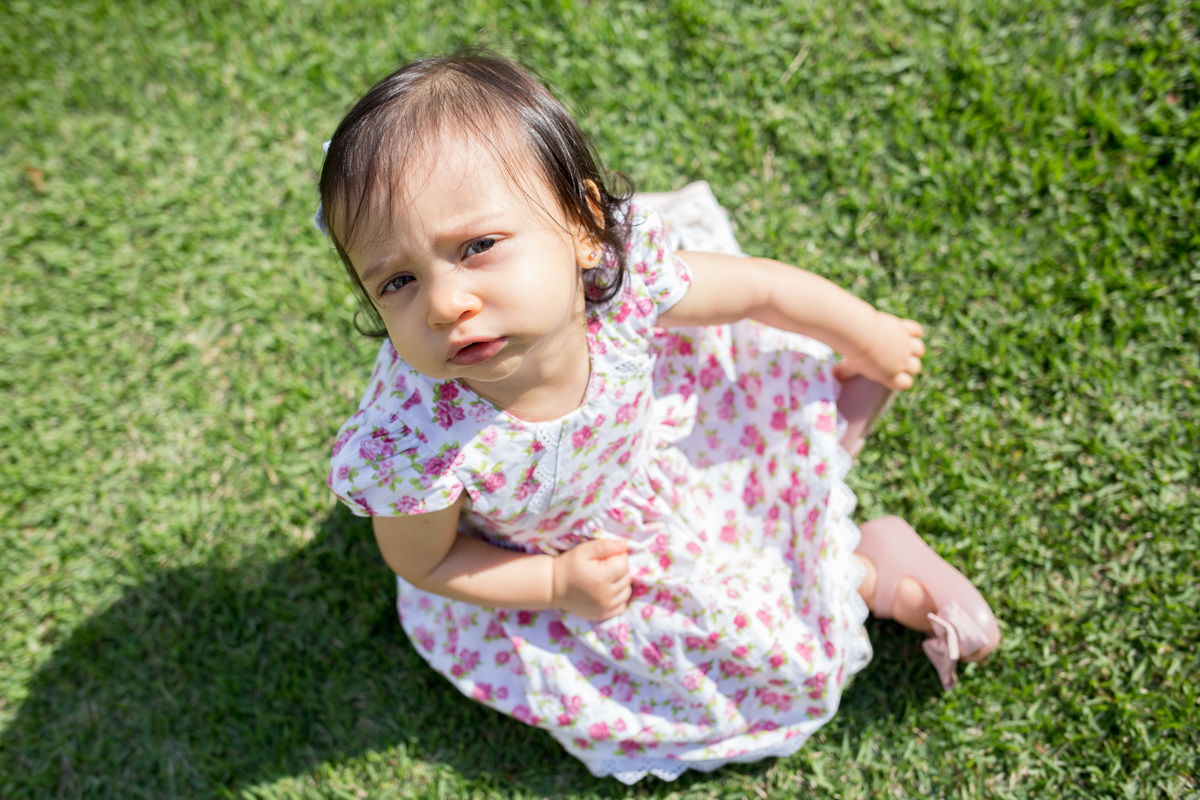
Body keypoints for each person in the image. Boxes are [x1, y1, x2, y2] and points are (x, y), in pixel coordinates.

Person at [316, 52, 999, 784]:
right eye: (399, 281)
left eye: (478, 247)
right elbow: (424, 561)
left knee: (779, 397)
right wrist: (552, 586)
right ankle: (868, 575)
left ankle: (842, 525)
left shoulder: (623, 281)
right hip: (569, 553)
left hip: (663, 443)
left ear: (582, 226)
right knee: (719, 639)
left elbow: (760, 292)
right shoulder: (415, 446)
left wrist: (865, 332)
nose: (446, 304)